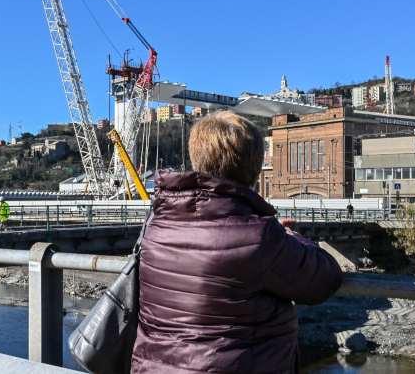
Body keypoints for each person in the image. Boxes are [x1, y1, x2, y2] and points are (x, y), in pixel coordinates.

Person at [131, 111, 342, 374]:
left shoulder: (157, 225)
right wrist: (293, 238)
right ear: (254, 168)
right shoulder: (258, 237)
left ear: (197, 158)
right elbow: (325, 279)